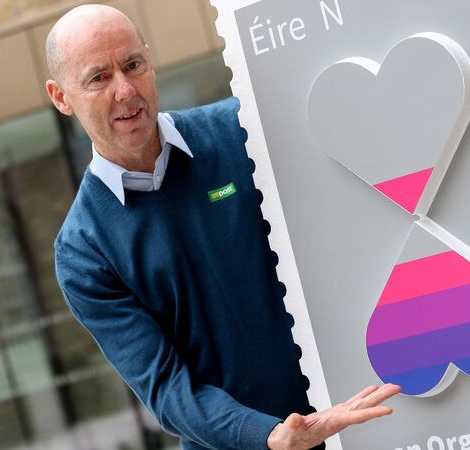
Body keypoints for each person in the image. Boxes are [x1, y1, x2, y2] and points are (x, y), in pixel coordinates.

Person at [46, 5, 400, 450]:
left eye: (133, 65)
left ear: (150, 60)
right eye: (99, 78)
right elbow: (166, 387)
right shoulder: (83, 253)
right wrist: (269, 435)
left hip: (363, 413)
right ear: (61, 97)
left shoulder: (242, 130)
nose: (125, 89)